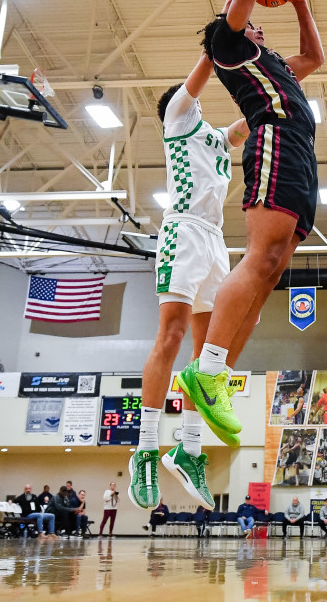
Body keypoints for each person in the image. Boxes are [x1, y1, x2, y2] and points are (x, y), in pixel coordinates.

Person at [178, 0, 324, 442]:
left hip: (302, 153)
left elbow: (316, 56)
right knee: (261, 258)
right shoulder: (228, 43)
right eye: (253, 20)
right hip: (275, 140)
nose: (261, 25)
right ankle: (208, 367)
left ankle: (215, 373)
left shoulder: (276, 61)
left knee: (274, 268)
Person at [130, 53, 250, 514]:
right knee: (172, 335)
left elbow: (245, 125)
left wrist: (284, 80)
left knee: (208, 355)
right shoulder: (178, 117)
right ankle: (145, 447)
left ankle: (190, 449)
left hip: (215, 240)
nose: (197, 98)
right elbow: (204, 71)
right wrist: (222, 41)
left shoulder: (217, 139)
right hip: (182, 232)